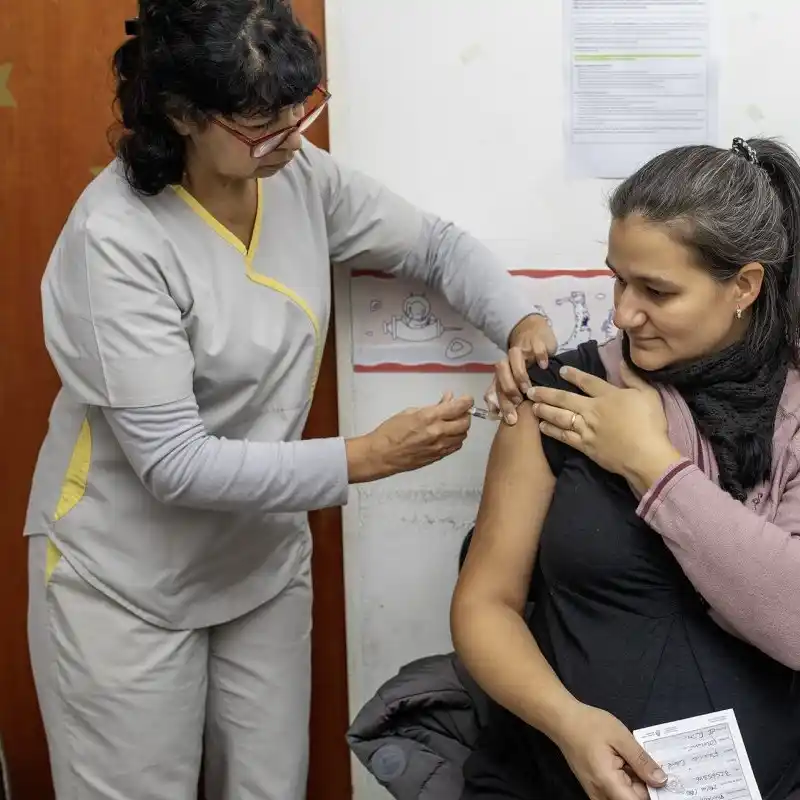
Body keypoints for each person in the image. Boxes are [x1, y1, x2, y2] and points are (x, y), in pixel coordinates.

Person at [23, 2, 555, 799]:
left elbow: (435, 245)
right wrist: (367, 457)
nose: (287, 138)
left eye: (297, 114)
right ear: (181, 115)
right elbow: (173, 464)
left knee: (272, 787)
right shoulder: (117, 240)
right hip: (125, 577)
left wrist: (522, 321)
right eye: (257, 125)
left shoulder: (298, 178)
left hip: (260, 559)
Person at [451, 137, 800, 800]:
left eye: (656, 290)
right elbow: (486, 604)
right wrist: (568, 724)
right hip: (554, 773)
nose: (623, 313)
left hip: (772, 782)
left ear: (742, 286)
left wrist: (651, 464)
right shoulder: (558, 391)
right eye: (617, 279)